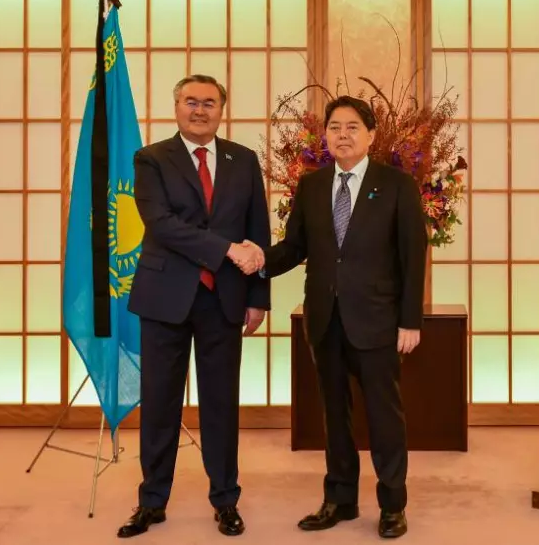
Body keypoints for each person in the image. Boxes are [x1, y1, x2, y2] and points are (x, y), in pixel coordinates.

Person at [259, 95, 428, 539]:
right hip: (324, 319)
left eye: (353, 127)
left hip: (377, 320)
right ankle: (340, 499)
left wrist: (410, 320)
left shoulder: (396, 185)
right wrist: (258, 261)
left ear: (371, 135)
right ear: (325, 136)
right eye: (334, 127)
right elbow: (294, 247)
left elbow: (413, 257)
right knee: (334, 416)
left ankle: (392, 504)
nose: (343, 135)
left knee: (384, 417)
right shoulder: (312, 186)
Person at [118, 74, 268, 539]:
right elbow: (161, 224)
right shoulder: (151, 158)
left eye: (209, 102)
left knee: (221, 405)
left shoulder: (243, 160)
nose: (199, 110)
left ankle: (226, 500)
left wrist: (258, 297)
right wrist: (225, 250)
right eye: (191, 101)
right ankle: (152, 501)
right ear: (176, 107)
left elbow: (257, 231)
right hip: (165, 296)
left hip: (225, 298)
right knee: (160, 403)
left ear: (222, 109)